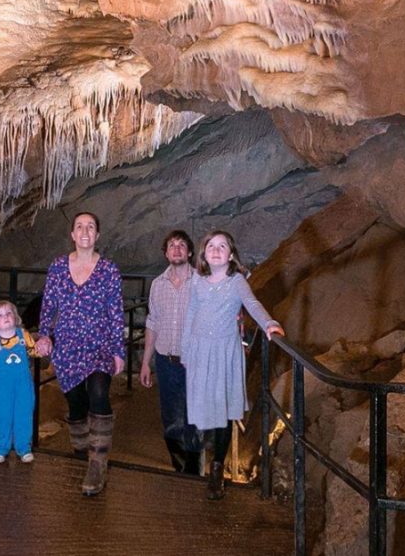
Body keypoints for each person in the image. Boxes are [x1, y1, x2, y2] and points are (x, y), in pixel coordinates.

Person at [181, 230, 284, 500]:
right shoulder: (197, 281)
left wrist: (268, 323)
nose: (216, 250)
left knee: (224, 410)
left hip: (224, 352)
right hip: (201, 350)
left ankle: (216, 468)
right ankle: (203, 452)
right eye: (211, 246)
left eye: (222, 246)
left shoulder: (236, 281)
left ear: (231, 254)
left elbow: (252, 303)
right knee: (201, 405)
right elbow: (190, 314)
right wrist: (186, 350)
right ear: (203, 253)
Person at [35, 212, 125, 496]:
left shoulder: (109, 270)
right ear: (72, 235)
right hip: (68, 346)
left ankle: (98, 463)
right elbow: (48, 305)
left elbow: (115, 312)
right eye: (79, 227)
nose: (85, 231)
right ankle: (80, 447)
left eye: (91, 227)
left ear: (97, 235)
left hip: (99, 345)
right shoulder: (59, 267)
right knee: (75, 403)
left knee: (98, 391)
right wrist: (44, 335)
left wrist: (119, 352)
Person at [139, 230, 203, 474]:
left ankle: (194, 471)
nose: (176, 249)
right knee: (171, 417)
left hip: (194, 362)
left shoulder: (201, 283)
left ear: (189, 252)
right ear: (166, 253)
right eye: (172, 245)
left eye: (182, 245)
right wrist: (146, 362)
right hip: (166, 361)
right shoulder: (157, 285)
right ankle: (179, 466)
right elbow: (153, 323)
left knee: (194, 416)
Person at [0, 301, 38, 464]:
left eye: (9, 313)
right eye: (0, 315)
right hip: (2, 388)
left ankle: (24, 447)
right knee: (3, 416)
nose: (6, 317)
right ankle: (1, 448)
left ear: (15, 317)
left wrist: (44, 347)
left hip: (24, 386)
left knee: (24, 414)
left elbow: (34, 351)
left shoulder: (23, 336)